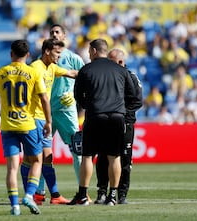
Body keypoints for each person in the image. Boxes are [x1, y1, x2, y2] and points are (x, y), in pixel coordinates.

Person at [67, 39, 139, 206]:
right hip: (116, 117)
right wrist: (120, 109)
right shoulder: (120, 70)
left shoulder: (86, 69)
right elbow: (132, 95)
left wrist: (89, 106)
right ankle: (112, 196)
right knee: (114, 157)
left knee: (87, 156)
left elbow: (78, 96)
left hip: (95, 115)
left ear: (92, 51)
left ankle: (83, 195)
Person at [0, 39, 51, 216]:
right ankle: (30, 195)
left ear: (11, 54)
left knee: (12, 168)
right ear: (28, 55)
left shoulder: (0, 73)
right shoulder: (33, 73)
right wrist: (48, 121)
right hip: (28, 124)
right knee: (37, 161)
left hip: (8, 125)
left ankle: (15, 205)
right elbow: (45, 99)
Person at [23, 38, 78, 205]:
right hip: (33, 119)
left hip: (43, 119)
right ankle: (30, 195)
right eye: (57, 53)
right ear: (47, 51)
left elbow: (72, 73)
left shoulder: (52, 67)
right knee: (30, 158)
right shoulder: (35, 68)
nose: (59, 57)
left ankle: (54, 195)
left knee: (47, 157)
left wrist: (94, 70)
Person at [94, 48, 143, 205]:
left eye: (111, 62)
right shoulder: (106, 77)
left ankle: (121, 194)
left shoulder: (131, 77)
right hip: (105, 122)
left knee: (125, 159)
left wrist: (122, 115)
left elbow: (137, 101)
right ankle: (102, 192)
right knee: (102, 157)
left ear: (121, 62)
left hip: (124, 123)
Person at [49, 24, 85, 188]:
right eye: (52, 32)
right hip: (46, 111)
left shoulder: (73, 58)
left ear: (64, 35)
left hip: (67, 111)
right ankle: (40, 192)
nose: (54, 34)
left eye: (57, 32)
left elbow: (87, 80)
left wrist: (74, 95)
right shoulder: (42, 59)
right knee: (42, 153)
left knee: (77, 150)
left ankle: (82, 191)